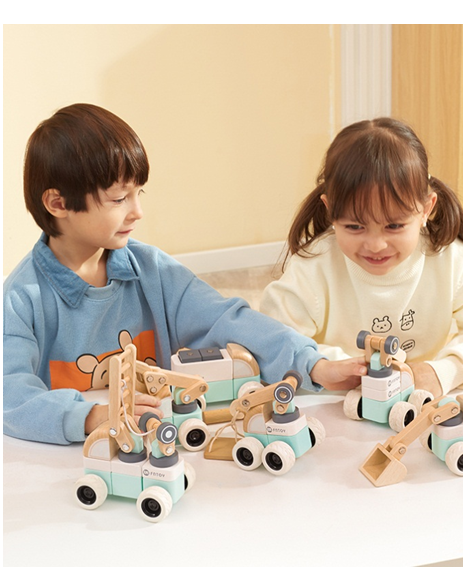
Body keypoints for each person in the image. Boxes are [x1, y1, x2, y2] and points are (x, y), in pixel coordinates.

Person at [3, 103, 367, 445]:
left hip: (156, 443)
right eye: (119, 198)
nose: (138, 211)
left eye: (139, 193)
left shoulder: (154, 272)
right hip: (73, 456)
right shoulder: (20, 299)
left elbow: (228, 320)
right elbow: (10, 395)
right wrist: (89, 417)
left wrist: (313, 365)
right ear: (58, 203)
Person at [260, 118, 463, 397]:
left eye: (394, 226)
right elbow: (270, 342)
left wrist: (443, 371)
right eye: (354, 227)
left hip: (416, 402)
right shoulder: (313, 267)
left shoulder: (451, 260)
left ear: (426, 209)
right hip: (335, 402)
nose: (376, 245)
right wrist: (325, 366)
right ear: (330, 210)